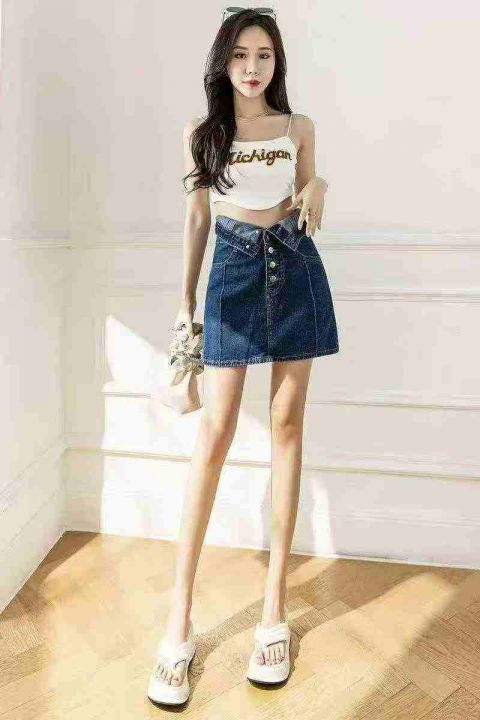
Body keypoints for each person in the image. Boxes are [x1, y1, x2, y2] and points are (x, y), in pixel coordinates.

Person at [147, 7, 339, 705]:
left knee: (287, 428)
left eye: (263, 55)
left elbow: (307, 196)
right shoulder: (202, 135)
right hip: (230, 273)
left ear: (277, 62)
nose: (252, 67)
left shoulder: (299, 128)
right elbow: (198, 218)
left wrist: (319, 186)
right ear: (223, 62)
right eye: (240, 55)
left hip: (294, 266)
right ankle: (178, 625)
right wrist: (184, 304)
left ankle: (272, 616)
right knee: (215, 434)